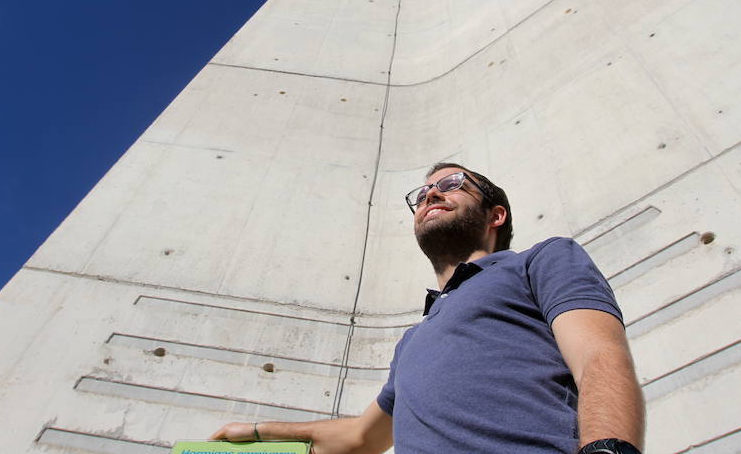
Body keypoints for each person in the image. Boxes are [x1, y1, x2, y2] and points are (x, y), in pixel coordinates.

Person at [211, 163, 645, 454]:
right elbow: (361, 437)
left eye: (452, 185)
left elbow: (598, 357)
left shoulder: (540, 261)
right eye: (422, 193)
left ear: (496, 216)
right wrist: (257, 433)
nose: (431, 193)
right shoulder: (414, 339)